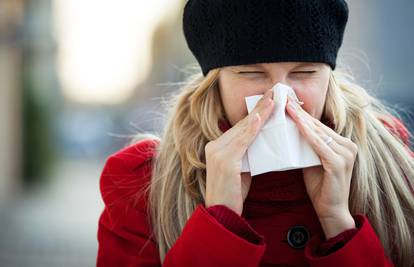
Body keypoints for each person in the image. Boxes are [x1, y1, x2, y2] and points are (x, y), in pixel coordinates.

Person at [96, 0, 414, 266]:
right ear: (215, 83)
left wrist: (338, 221)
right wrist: (219, 222)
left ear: (327, 77)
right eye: (251, 73)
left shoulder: (389, 161)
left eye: (304, 72)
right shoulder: (144, 183)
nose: (278, 96)